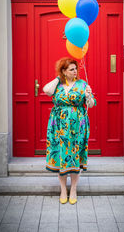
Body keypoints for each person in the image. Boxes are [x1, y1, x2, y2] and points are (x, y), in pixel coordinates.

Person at [43, 57, 96, 204]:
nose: (75, 71)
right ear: (64, 71)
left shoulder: (82, 84)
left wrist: (88, 95)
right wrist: (58, 78)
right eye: (71, 69)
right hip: (59, 127)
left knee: (75, 157)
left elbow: (91, 105)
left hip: (77, 126)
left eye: (76, 69)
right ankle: (63, 189)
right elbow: (46, 90)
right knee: (61, 156)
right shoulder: (57, 85)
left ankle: (73, 189)